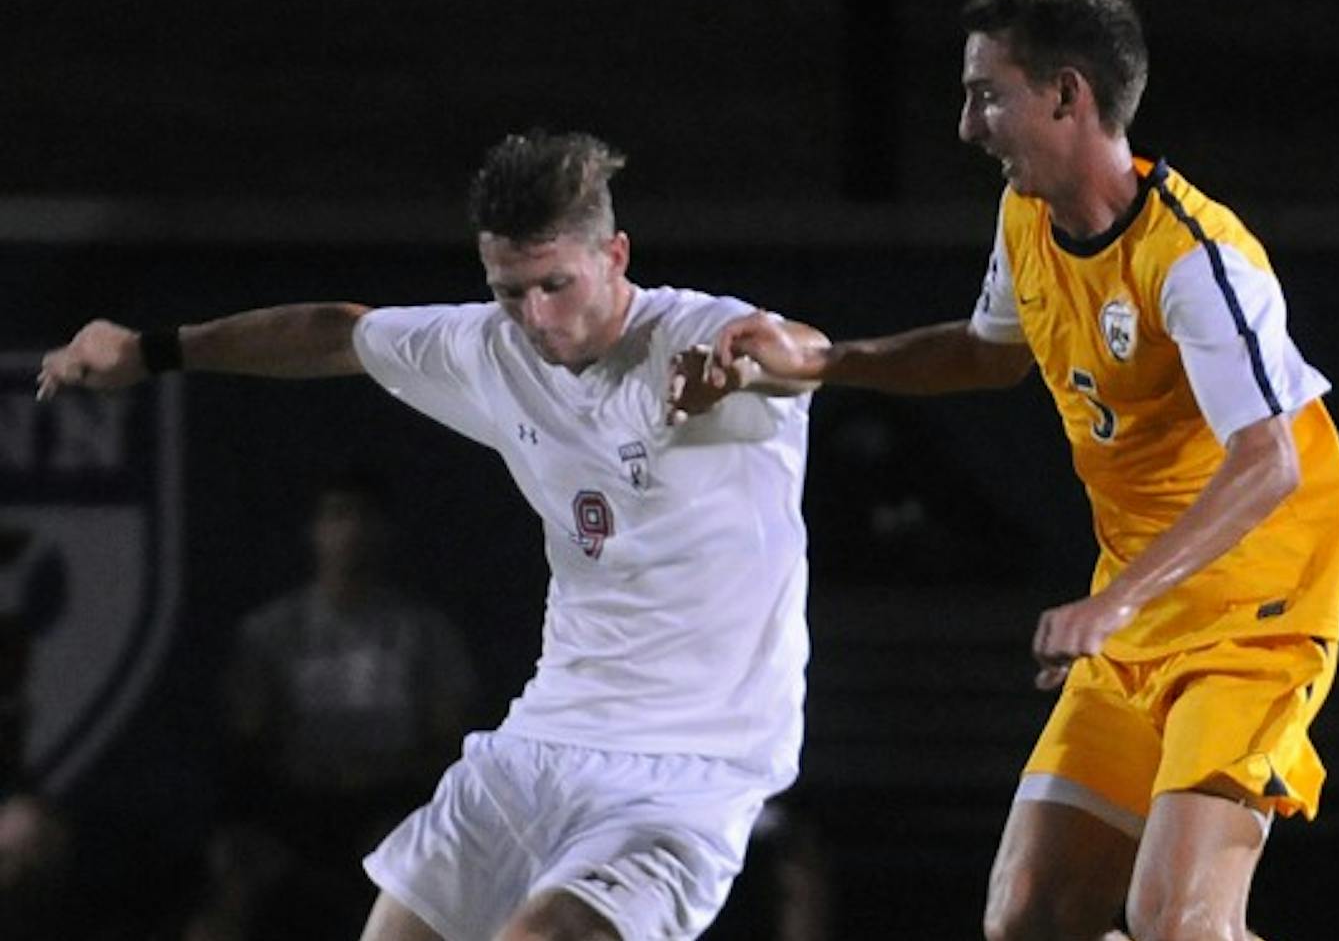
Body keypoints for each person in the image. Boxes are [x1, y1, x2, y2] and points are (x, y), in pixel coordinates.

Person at [680, 0, 1339, 941]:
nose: (967, 125)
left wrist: (1114, 602)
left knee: (1180, 926)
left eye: (986, 94)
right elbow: (989, 354)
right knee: (1028, 919)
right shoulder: (1028, 218)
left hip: (1258, 611)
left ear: (1068, 95)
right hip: (1138, 602)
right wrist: (823, 362)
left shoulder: (1199, 261)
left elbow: (1269, 463)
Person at [37, 129, 826, 941]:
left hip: (688, 770)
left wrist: (748, 362)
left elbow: (805, 349)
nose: (536, 317)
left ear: (615, 255)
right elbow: (335, 332)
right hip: (542, 745)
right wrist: (150, 350)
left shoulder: (700, 336)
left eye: (556, 284)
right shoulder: (491, 348)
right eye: (510, 290)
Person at [216, 466, 480, 931]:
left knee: (421, 864)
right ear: (314, 531)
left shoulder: (424, 632)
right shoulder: (269, 631)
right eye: (337, 515)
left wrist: (381, 773)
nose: (351, 531)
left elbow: (449, 741)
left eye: (364, 517)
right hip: (294, 801)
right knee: (234, 865)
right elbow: (246, 737)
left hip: (392, 801)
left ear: (386, 532)